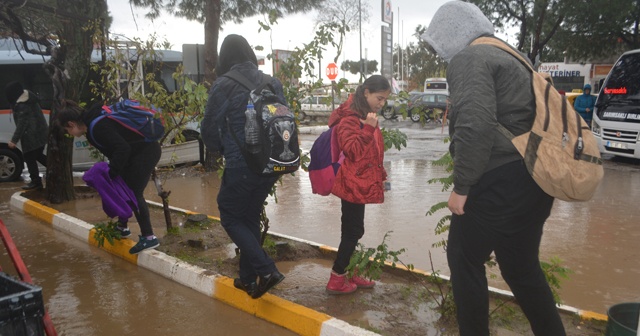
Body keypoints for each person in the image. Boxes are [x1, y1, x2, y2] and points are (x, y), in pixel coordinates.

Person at [422, 2, 566, 335]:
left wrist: (461, 188)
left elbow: (474, 126)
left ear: (451, 32)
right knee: (522, 269)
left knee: (463, 258)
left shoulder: (469, 58)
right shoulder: (511, 56)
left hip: (499, 180)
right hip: (535, 179)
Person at [201, 34, 285, 299]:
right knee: (248, 216)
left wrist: (222, 149)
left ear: (224, 59)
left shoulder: (223, 84)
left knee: (230, 215)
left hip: (241, 162)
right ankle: (248, 279)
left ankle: (267, 270)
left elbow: (208, 129)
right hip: (272, 163)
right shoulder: (272, 82)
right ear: (249, 53)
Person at [57, 100, 161, 255]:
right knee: (120, 186)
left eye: (67, 130)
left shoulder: (96, 128)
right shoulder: (93, 120)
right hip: (135, 154)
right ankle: (122, 227)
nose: (69, 134)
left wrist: (111, 173)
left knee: (133, 193)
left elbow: (122, 148)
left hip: (145, 153)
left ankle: (149, 237)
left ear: (71, 124)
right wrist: (114, 174)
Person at [325, 75, 390, 295]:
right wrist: (368, 129)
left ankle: (349, 271)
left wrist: (380, 172)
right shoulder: (350, 118)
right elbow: (352, 150)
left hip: (359, 180)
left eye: (384, 100)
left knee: (353, 230)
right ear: (366, 93)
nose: (381, 104)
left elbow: (372, 150)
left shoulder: (365, 115)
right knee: (352, 231)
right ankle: (337, 278)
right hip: (351, 183)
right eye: (379, 98)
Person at [4, 81, 48, 190]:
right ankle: (57, 169)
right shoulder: (27, 98)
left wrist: (14, 140)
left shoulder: (22, 104)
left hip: (32, 134)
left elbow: (22, 124)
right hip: (39, 132)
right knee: (37, 155)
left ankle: (36, 182)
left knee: (29, 156)